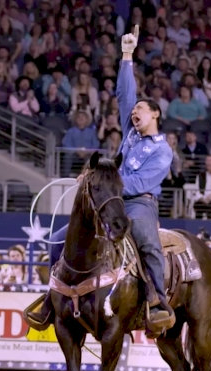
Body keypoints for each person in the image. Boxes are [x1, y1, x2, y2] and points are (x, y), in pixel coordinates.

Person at [26, 25, 175, 333]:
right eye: (133, 111)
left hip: (138, 203)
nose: (134, 113)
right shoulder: (131, 132)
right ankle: (50, 297)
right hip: (111, 199)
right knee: (59, 239)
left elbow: (142, 183)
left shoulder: (163, 151)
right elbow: (124, 94)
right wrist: (126, 55)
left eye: (141, 111)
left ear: (155, 115)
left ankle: (158, 301)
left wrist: (107, 184)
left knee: (147, 242)